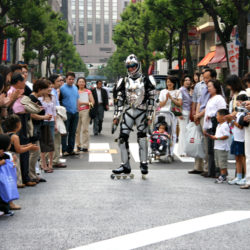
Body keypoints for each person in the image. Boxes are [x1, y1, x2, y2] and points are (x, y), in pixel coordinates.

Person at [112, 54, 156, 177]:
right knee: (122, 138)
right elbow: (120, 99)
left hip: (142, 111)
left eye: (133, 66)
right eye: (128, 66)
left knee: (142, 138)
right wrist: (116, 116)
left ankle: (143, 163)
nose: (131, 68)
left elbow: (152, 99)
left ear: (138, 65)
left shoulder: (147, 80)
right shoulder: (123, 80)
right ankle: (125, 165)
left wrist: (150, 116)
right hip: (129, 111)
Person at [7, 73, 36, 186]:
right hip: (16, 119)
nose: (25, 83)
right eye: (23, 81)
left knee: (23, 145)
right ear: (18, 82)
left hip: (22, 117)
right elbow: (10, 108)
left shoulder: (20, 91)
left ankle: (25, 176)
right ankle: (23, 177)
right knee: (19, 147)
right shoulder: (12, 92)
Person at [4, 115, 39, 189]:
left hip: (8, 154)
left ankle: (14, 182)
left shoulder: (6, 134)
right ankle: (17, 182)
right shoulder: (15, 137)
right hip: (14, 155)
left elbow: (15, 147)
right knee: (16, 169)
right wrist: (29, 147)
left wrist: (26, 145)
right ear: (18, 125)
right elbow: (18, 150)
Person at [203, 79, 227, 178]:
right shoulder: (211, 98)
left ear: (215, 87)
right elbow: (206, 113)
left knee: (216, 150)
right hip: (209, 126)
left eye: (210, 86)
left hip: (216, 126)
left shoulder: (219, 98)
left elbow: (222, 112)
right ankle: (211, 171)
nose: (208, 88)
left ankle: (218, 171)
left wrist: (213, 115)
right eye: (207, 86)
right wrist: (204, 127)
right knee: (210, 150)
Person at [159, 76, 182, 157]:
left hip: (172, 114)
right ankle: (161, 148)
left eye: (170, 82)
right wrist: (166, 99)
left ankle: (171, 152)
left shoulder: (177, 92)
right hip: (163, 114)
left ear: (174, 83)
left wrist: (172, 98)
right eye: (167, 82)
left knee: (172, 132)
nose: (169, 83)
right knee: (162, 130)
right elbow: (161, 104)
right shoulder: (162, 91)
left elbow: (180, 103)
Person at [227, 94, 248, 185]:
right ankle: (238, 176)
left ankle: (245, 177)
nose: (238, 103)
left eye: (239, 101)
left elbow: (240, 126)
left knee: (243, 158)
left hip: (242, 139)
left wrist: (232, 121)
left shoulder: (245, 113)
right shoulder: (238, 112)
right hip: (236, 138)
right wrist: (231, 120)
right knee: (237, 158)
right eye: (237, 101)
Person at [205, 109, 230, 183]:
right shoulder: (219, 125)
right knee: (218, 163)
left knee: (222, 163)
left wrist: (217, 138)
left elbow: (226, 136)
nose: (216, 117)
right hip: (217, 147)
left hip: (222, 147)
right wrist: (213, 136)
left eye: (218, 115)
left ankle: (223, 176)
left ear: (223, 117)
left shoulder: (225, 125)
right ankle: (222, 175)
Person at [48, 74, 67, 168]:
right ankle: (52, 161)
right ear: (53, 82)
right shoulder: (51, 91)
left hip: (56, 116)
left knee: (56, 140)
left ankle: (55, 159)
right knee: (53, 140)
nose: (61, 82)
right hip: (52, 118)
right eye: (59, 81)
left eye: (61, 80)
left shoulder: (55, 91)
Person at [60, 72, 80, 156]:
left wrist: (78, 109)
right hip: (66, 112)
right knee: (65, 132)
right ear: (66, 79)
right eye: (69, 79)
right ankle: (64, 150)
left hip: (75, 112)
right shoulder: (62, 88)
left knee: (73, 132)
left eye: (72, 79)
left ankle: (71, 149)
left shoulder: (75, 87)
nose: (71, 81)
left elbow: (77, 99)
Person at [38, 80, 57, 172]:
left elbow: (54, 111)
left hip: (52, 122)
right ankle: (43, 164)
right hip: (43, 121)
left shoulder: (53, 97)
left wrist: (56, 123)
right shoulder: (39, 98)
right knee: (43, 144)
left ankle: (50, 163)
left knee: (51, 143)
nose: (49, 89)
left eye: (50, 87)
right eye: (47, 87)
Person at [76, 77, 94, 152]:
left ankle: (85, 145)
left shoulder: (88, 91)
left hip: (86, 111)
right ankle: (78, 145)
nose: (81, 83)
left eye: (82, 82)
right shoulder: (75, 91)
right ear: (77, 83)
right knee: (77, 130)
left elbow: (92, 103)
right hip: (76, 111)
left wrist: (83, 103)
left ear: (85, 83)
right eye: (80, 82)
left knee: (85, 129)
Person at [0, 134, 16, 216]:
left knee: (5, 193)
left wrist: (12, 165)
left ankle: (6, 209)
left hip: (4, 179)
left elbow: (10, 164)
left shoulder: (6, 155)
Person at [178, 75, 192, 157]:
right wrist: (179, 113)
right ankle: (182, 151)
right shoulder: (181, 90)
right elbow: (178, 102)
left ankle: (184, 150)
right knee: (183, 132)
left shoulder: (187, 90)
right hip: (183, 112)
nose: (188, 81)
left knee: (185, 132)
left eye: (189, 80)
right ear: (183, 81)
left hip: (188, 112)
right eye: (186, 80)